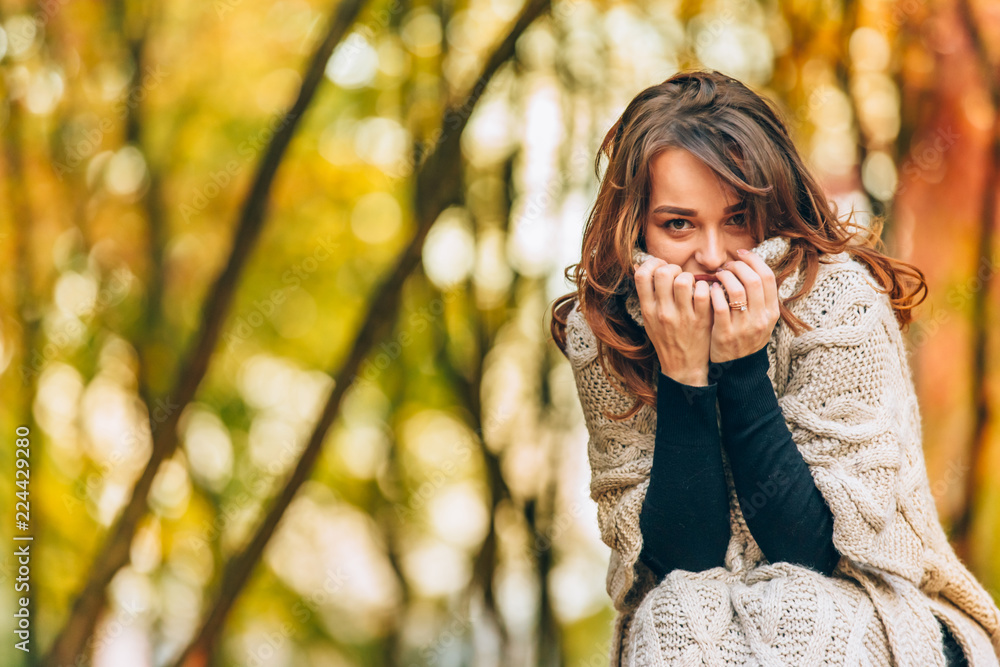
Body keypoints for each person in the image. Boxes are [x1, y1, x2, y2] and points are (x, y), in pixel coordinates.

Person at [550, 70, 1000, 666]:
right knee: (673, 617)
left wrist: (739, 365)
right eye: (679, 223)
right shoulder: (608, 331)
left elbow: (817, 551)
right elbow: (681, 561)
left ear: (771, 211)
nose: (712, 257)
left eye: (736, 220)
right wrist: (683, 373)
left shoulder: (839, 305)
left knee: (795, 612)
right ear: (635, 226)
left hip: (879, 606)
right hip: (712, 614)